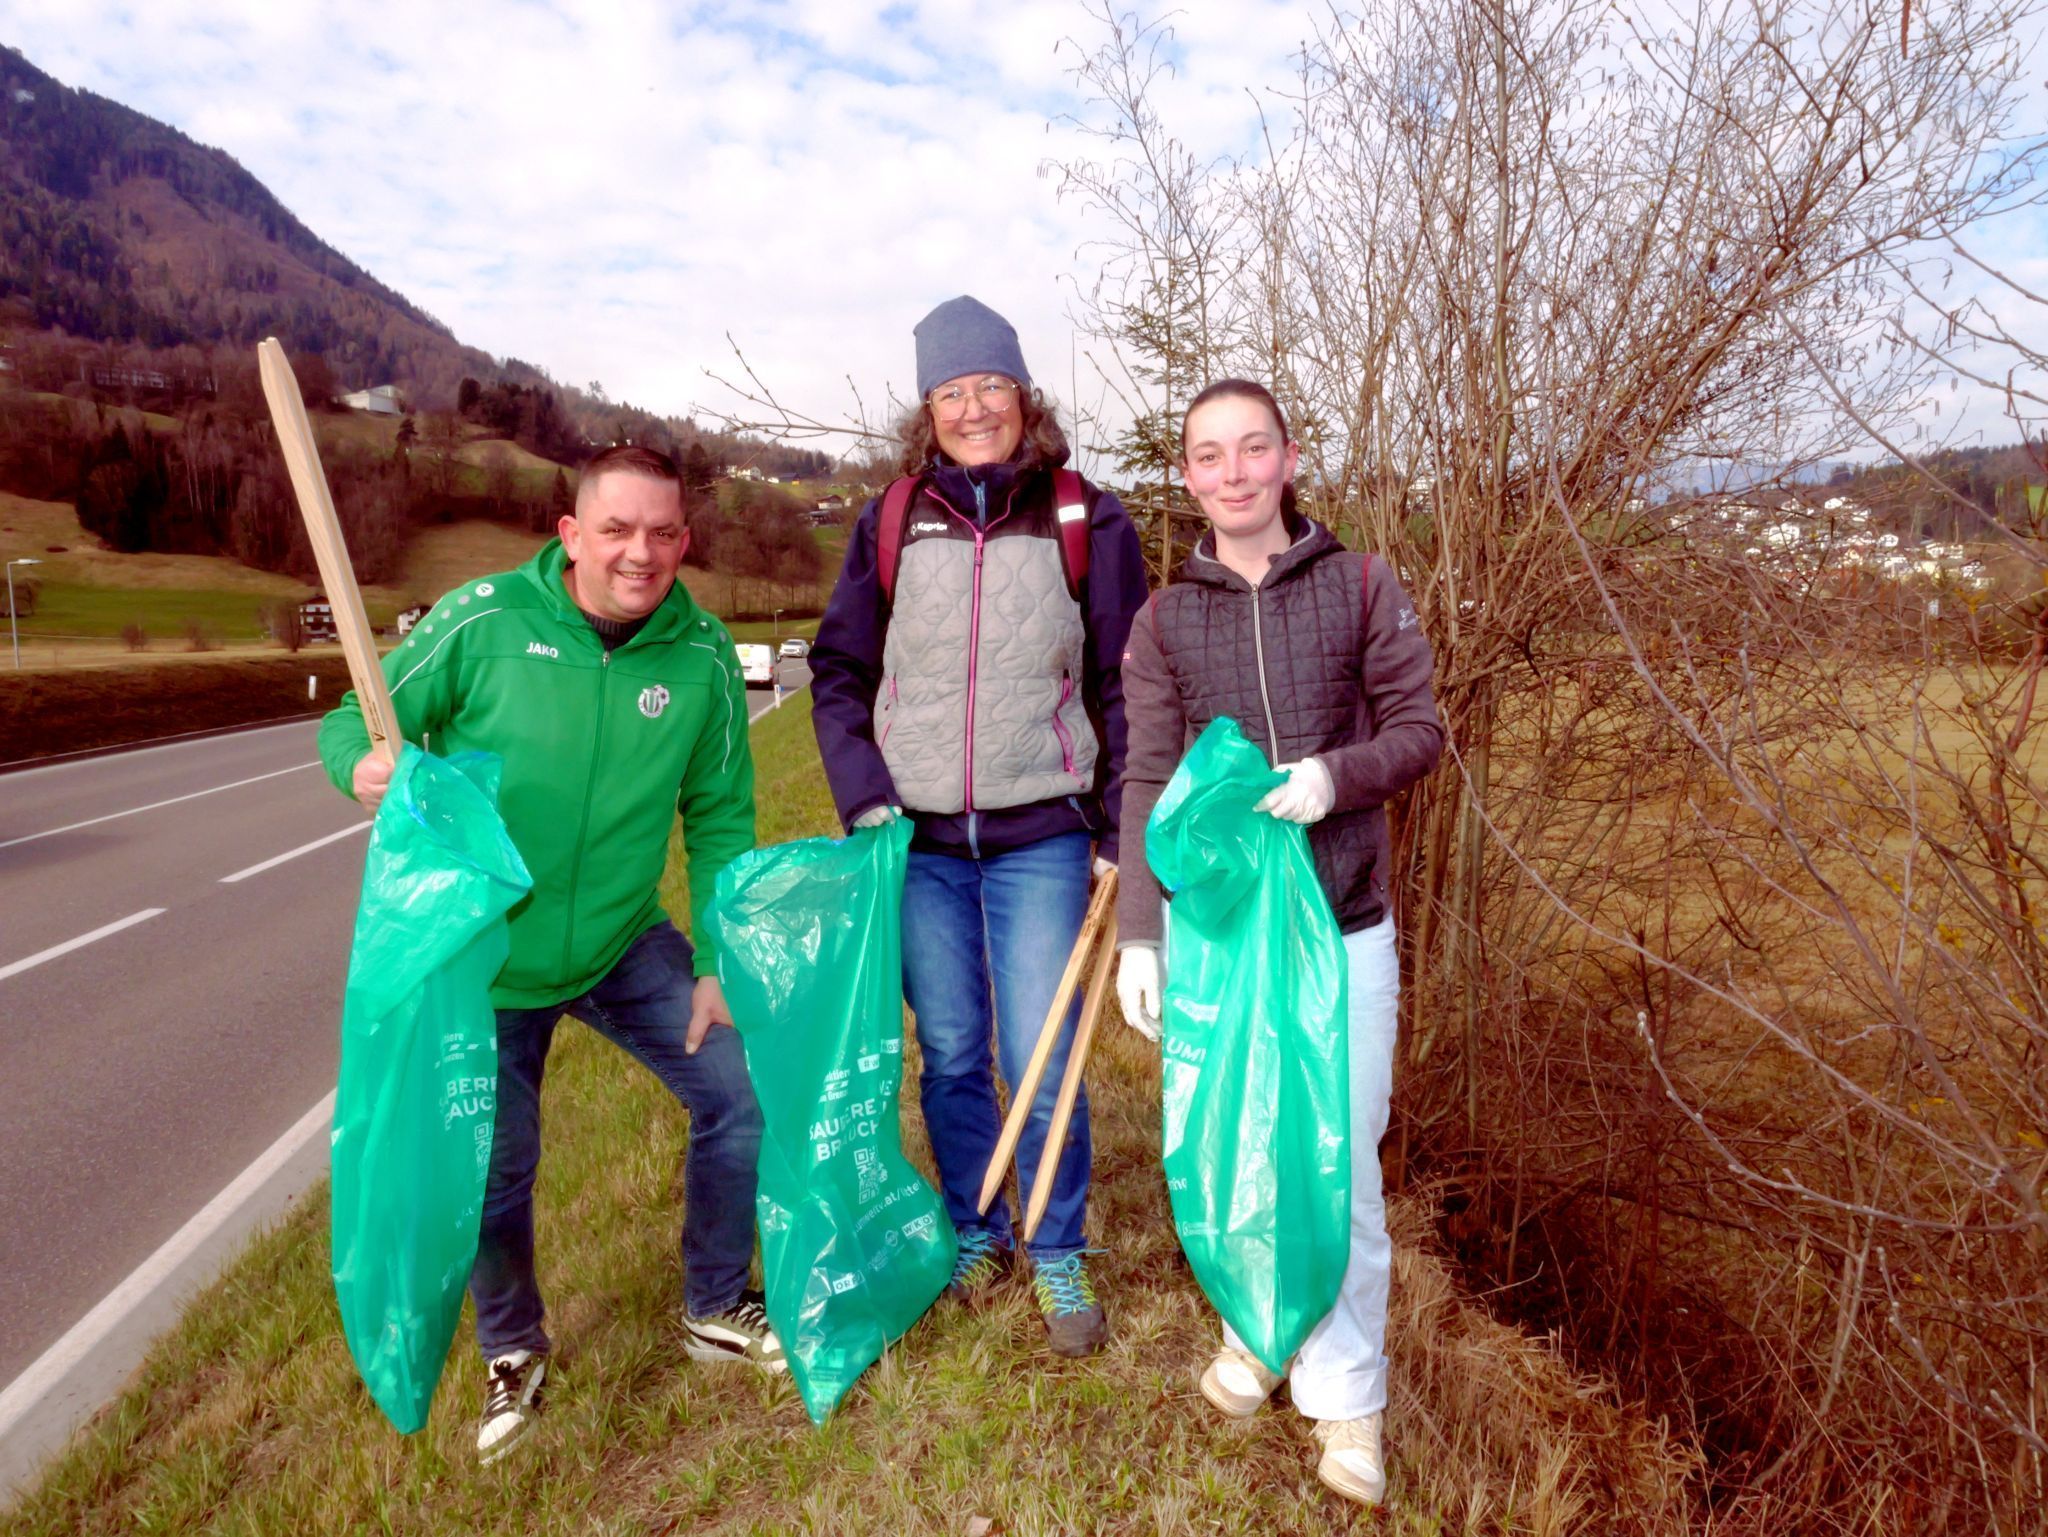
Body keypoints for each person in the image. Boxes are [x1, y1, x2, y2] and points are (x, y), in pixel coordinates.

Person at [318, 445, 781, 1465]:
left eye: (662, 532)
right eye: (616, 529)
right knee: (493, 1164)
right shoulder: (482, 620)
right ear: (571, 534)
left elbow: (720, 814)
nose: (639, 552)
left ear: (684, 541)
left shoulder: (702, 654)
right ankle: (514, 1348)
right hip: (487, 959)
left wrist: (717, 960)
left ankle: (715, 1302)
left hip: (621, 939)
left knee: (739, 1091)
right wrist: (361, 764)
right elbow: (359, 711)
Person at [1113, 379, 1442, 1505]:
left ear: (1288, 458)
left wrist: (1332, 778)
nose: (1235, 471)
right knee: (1239, 1147)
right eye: (1210, 454)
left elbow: (1419, 730)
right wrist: (1141, 935)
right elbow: (1147, 780)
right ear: (1189, 476)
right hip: (1218, 942)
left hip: (1343, 928)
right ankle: (1260, 1332)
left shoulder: (1360, 584)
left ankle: (1347, 1398)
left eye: (1254, 448)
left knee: (1336, 1163)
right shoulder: (1163, 622)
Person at [809, 296, 1148, 1356]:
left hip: (1042, 831)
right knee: (951, 1047)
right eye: (949, 391)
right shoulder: (890, 520)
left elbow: (1127, 685)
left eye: (989, 385)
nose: (971, 408)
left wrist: (1116, 830)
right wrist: (865, 797)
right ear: (927, 409)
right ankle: (976, 1228)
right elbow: (838, 670)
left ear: (1022, 394)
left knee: (1039, 1047)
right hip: (915, 841)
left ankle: (1056, 1245)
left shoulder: (1086, 516)